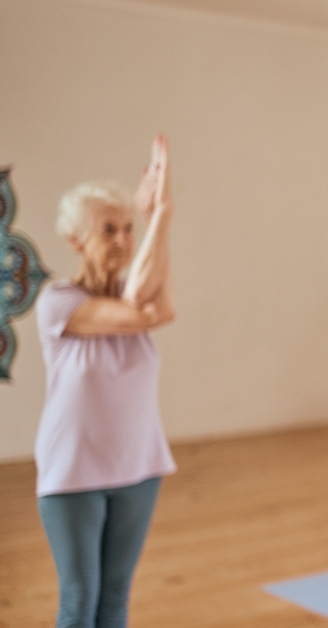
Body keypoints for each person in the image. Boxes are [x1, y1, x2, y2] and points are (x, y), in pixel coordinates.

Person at [35, 134, 177, 628]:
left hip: (139, 468)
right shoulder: (59, 302)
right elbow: (138, 312)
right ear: (75, 240)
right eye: (107, 230)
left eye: (127, 228)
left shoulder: (134, 295)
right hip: (73, 473)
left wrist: (156, 219)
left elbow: (160, 306)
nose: (121, 240)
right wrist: (162, 212)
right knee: (80, 601)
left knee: (115, 601)